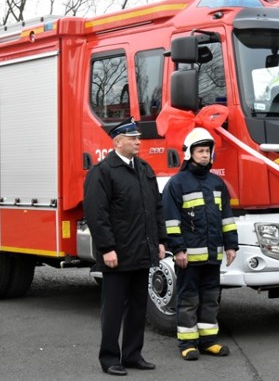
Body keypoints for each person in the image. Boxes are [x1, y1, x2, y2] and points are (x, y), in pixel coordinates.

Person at [83, 117, 167, 376]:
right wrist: (107, 248)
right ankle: (109, 358)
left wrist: (161, 240)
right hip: (117, 255)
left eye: (138, 138)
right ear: (117, 142)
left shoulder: (144, 169)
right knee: (113, 309)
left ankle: (133, 355)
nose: (138, 142)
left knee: (138, 307)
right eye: (132, 139)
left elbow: (156, 208)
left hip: (141, 251)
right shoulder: (103, 171)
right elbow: (97, 214)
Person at [162, 127, 239, 360]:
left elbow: (226, 217)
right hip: (188, 257)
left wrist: (231, 245)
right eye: (200, 151)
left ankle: (208, 341)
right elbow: (171, 220)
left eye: (207, 151)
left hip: (212, 255)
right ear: (189, 154)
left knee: (210, 298)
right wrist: (178, 250)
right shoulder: (176, 183)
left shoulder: (217, 183)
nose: (205, 155)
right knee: (188, 299)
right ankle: (187, 343)